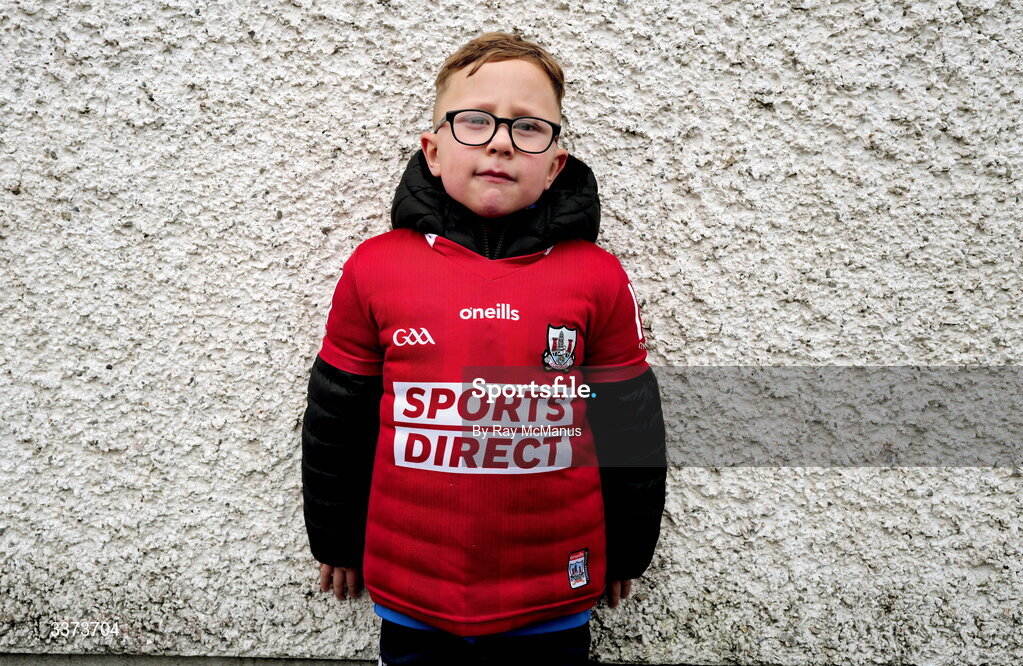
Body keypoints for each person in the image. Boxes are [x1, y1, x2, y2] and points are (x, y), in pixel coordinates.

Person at [301, 32, 666, 666]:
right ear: (433, 150)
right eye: (475, 121)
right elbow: (338, 418)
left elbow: (629, 425)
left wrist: (628, 552)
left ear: (555, 165)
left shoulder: (598, 276)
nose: (501, 141)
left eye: (529, 127)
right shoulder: (375, 267)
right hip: (413, 594)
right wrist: (335, 538)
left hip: (553, 596)